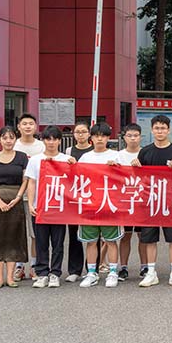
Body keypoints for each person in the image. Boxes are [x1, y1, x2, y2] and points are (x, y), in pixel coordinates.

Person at [132, 115, 172, 288]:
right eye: (157, 128)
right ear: (152, 130)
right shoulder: (145, 151)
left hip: (171, 201)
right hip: (150, 201)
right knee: (149, 239)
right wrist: (135, 166)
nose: (160, 131)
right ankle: (151, 272)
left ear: (168, 130)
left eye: (163, 128)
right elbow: (138, 178)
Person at [77, 122, 124, 288]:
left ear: (108, 138)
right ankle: (91, 272)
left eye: (103, 136)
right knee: (91, 241)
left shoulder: (116, 156)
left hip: (109, 204)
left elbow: (125, 178)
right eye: (96, 136)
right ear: (91, 138)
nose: (100, 139)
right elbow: (76, 178)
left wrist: (117, 168)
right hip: (90, 205)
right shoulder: (85, 157)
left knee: (111, 241)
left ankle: (113, 272)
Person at [0, 126, 30, 288]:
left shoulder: (22, 157)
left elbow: (26, 179)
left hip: (16, 201)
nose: (8, 141)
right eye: (5, 138)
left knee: (13, 236)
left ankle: (10, 277)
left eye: (11, 137)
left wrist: (18, 197)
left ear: (15, 139)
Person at [24, 126, 71, 288]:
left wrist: (74, 164)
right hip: (40, 207)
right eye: (48, 139)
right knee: (41, 242)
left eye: (54, 139)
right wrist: (31, 203)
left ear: (59, 141)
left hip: (59, 208)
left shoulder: (66, 159)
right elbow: (31, 182)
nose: (51, 142)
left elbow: (75, 181)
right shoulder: (35, 160)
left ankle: (55, 273)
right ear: (43, 140)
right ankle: (42, 273)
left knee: (58, 243)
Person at [12, 113, 44, 281]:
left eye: (31, 123)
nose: (27, 126)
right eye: (24, 123)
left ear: (35, 127)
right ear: (19, 127)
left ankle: (34, 265)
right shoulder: (13, 145)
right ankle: (19, 266)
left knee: (34, 234)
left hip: (37, 196)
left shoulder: (41, 146)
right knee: (18, 232)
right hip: (16, 196)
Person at [63, 120, 93, 282]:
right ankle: (74, 270)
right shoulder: (69, 151)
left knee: (93, 234)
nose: (80, 135)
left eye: (83, 132)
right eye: (77, 132)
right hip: (73, 197)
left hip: (92, 197)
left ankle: (92, 268)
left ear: (89, 134)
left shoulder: (94, 151)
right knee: (74, 234)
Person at [115, 122, 143, 280]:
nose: (133, 138)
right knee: (125, 236)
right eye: (129, 135)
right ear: (124, 137)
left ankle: (144, 266)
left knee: (142, 236)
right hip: (124, 201)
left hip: (142, 201)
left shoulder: (145, 153)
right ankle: (123, 267)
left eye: (136, 135)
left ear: (140, 137)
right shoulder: (118, 156)